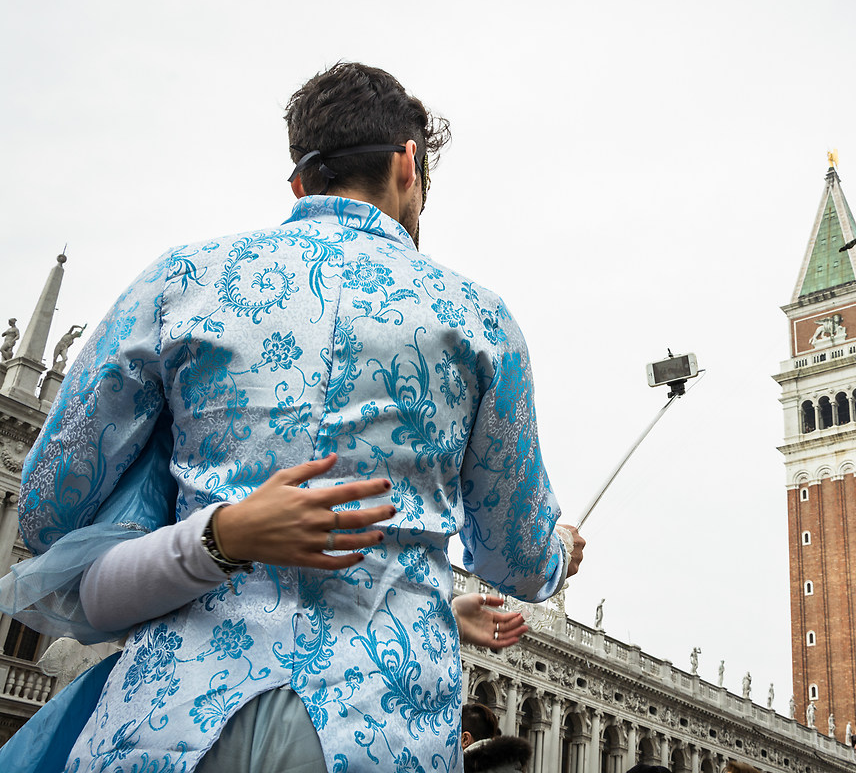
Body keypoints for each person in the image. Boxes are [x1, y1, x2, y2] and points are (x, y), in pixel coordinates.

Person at [15, 61, 584, 773]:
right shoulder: (479, 319)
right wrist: (558, 550)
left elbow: (44, 508)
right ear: (409, 165)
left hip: (171, 718)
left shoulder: (182, 279)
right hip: (380, 727)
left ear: (299, 182)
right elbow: (516, 562)